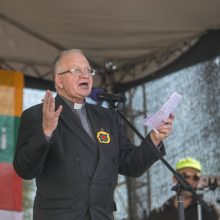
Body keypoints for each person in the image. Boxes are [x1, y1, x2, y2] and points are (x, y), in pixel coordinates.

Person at [13, 49, 174, 220]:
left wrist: (154, 138)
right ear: (59, 80)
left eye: (88, 70)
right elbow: (25, 169)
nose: (85, 75)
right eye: (76, 70)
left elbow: (130, 165)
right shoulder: (38, 115)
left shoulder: (106, 117)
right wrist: (45, 132)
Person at [147, 157, 219, 220]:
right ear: (174, 178)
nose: (191, 181)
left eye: (196, 177)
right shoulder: (158, 214)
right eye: (186, 176)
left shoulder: (209, 210)